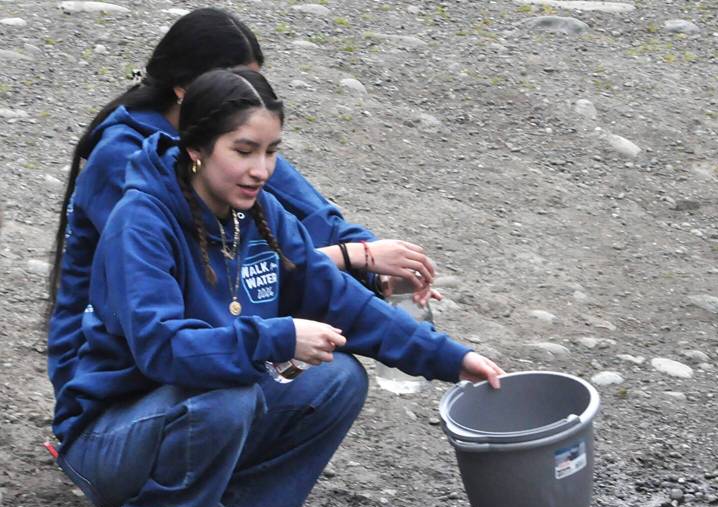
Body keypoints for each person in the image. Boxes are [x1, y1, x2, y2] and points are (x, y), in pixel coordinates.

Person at [51, 67, 504, 507]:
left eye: (271, 152)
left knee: (338, 378)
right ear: (196, 145)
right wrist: (280, 336)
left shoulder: (259, 214)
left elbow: (344, 304)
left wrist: (452, 358)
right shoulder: (142, 221)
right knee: (229, 393)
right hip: (107, 438)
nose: (261, 169)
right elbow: (163, 350)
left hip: (188, 411)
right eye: (243, 151)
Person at [47, 7, 438, 404]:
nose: (245, 93)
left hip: (207, 334)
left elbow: (315, 215)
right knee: (231, 390)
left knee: (336, 376)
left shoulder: (235, 143)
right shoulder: (126, 161)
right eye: (233, 80)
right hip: (122, 367)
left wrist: (376, 274)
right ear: (184, 88)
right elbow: (206, 276)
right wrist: (357, 256)